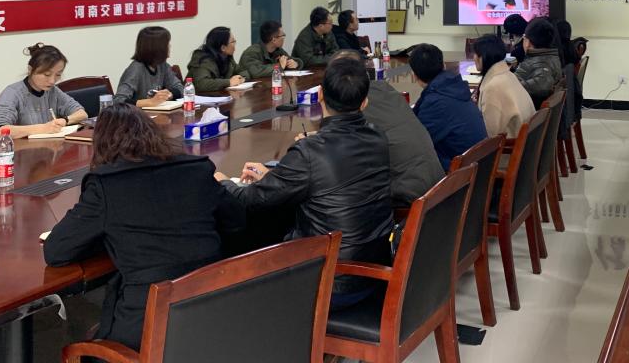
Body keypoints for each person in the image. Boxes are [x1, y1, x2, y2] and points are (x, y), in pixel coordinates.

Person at [44, 107, 243, 352]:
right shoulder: (196, 168)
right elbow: (236, 220)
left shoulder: (107, 185)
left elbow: (56, 251)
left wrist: (107, 236)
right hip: (212, 316)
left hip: (146, 328)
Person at [217, 56, 393, 308]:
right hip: (376, 269)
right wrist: (275, 178)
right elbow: (330, 182)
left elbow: (250, 200)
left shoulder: (310, 152)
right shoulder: (378, 137)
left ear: (319, 95)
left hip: (331, 281)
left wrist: (224, 182)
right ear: (365, 102)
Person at [330, 51, 442, 207]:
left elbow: (339, 151)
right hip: (436, 184)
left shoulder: (355, 102)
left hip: (409, 195)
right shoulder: (383, 88)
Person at [409, 44, 488, 170]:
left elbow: (415, 143)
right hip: (480, 167)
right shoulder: (453, 87)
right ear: (444, 66)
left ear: (414, 75)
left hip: (462, 175)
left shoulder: (436, 102)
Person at [0, 44, 88, 139]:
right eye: (47, 74)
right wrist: (43, 128)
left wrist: (65, 120)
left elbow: (82, 114)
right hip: (19, 149)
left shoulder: (53, 91)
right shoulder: (12, 93)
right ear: (30, 70)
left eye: (58, 75)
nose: (52, 81)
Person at [472, 34, 534, 138]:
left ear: (483, 57)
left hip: (509, 146)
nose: (473, 58)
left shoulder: (493, 87)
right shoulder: (509, 75)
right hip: (524, 141)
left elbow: (490, 134)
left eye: (475, 54)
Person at [114, 26, 184, 108]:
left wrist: (169, 94)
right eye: (167, 43)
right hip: (137, 115)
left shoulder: (162, 65)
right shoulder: (136, 69)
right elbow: (118, 101)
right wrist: (149, 102)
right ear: (158, 47)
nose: (170, 46)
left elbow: (180, 88)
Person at [514, 16, 562, 108]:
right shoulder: (551, 57)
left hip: (529, 111)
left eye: (524, 37)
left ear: (528, 42)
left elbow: (543, 84)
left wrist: (512, 85)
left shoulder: (541, 63)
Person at [187, 27, 247, 92]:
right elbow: (202, 84)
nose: (235, 44)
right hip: (195, 96)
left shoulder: (227, 57)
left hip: (219, 95)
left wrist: (241, 78)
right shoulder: (202, 59)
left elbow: (243, 72)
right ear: (223, 48)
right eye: (233, 42)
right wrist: (229, 82)